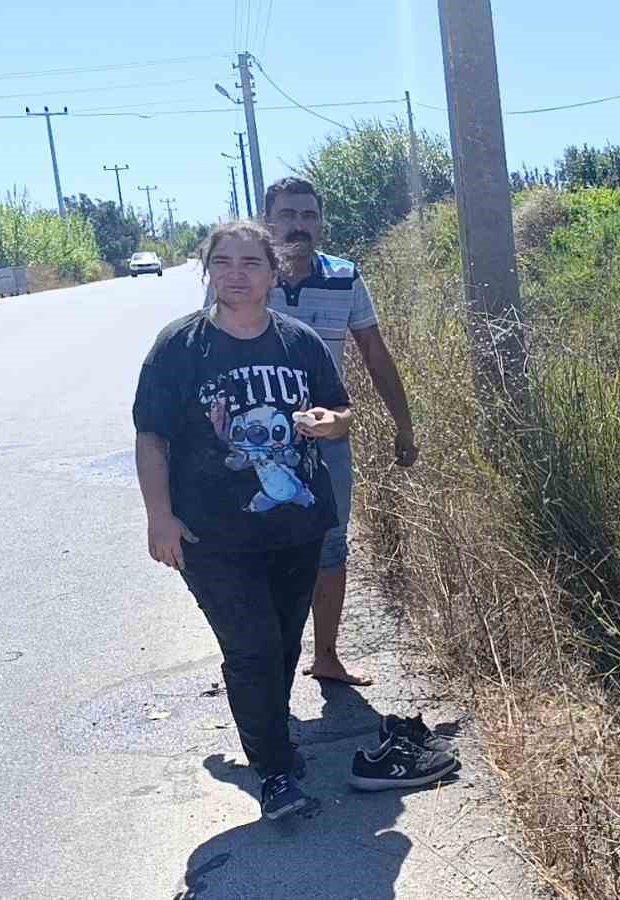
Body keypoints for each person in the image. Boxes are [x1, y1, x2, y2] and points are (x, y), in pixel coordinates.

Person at [134, 221, 352, 820]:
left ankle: (268, 733)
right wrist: (160, 518)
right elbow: (151, 437)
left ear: (273, 273)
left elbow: (340, 412)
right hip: (211, 533)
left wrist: (327, 423)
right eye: (223, 262)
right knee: (251, 647)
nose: (236, 273)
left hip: (295, 526)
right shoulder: (179, 346)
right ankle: (276, 772)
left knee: (283, 644)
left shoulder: (299, 341)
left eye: (251, 262)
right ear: (208, 271)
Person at [257, 176, 418, 687]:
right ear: (268, 221)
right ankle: (267, 662)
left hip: (328, 438)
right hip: (258, 443)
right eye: (287, 215)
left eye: (308, 215)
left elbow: (373, 351)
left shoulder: (345, 278)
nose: (298, 226)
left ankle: (326, 655)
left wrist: (403, 423)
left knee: (330, 544)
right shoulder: (249, 276)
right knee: (261, 546)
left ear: (321, 224)